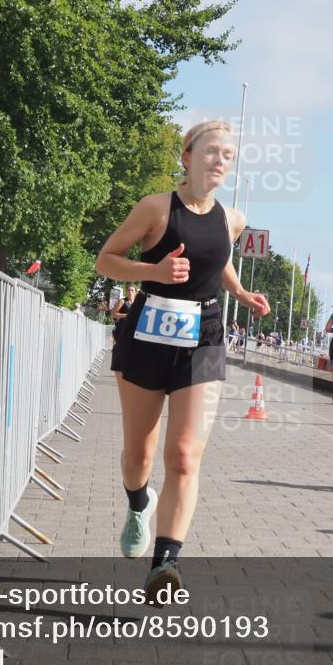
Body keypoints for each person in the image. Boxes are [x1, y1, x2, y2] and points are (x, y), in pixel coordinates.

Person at [95, 120, 269, 603]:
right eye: (210, 151)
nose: (219, 160)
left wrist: (238, 290)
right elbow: (105, 260)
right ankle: (137, 504)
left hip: (205, 335)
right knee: (140, 456)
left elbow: (220, 257)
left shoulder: (232, 218)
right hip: (149, 332)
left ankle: (164, 565)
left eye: (228, 155)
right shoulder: (156, 208)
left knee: (186, 456)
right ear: (186, 156)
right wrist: (152, 270)